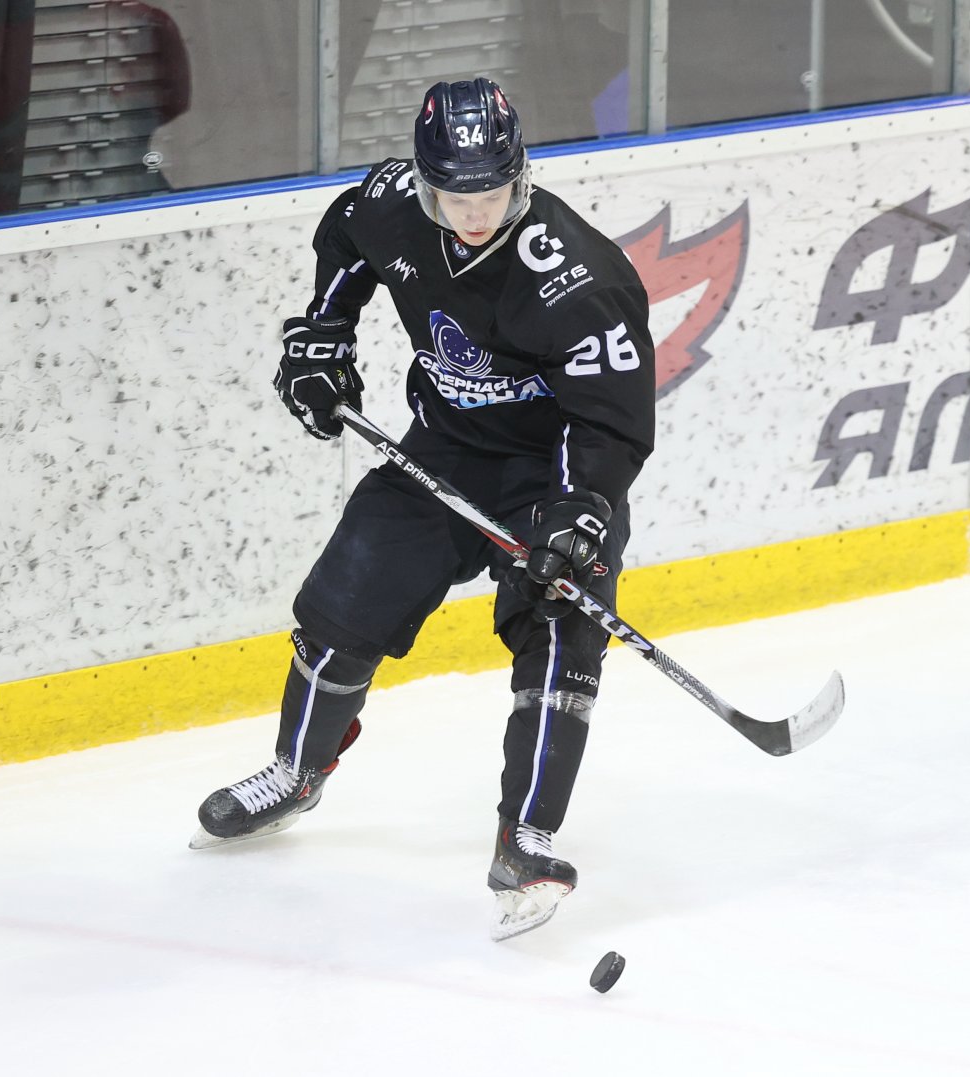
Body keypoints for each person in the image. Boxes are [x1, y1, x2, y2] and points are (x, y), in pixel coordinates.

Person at [191, 78, 657, 941]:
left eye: (492, 194)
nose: (474, 214)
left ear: (521, 175)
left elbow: (612, 420)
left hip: (553, 471)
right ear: (423, 181)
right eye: (454, 196)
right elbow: (346, 231)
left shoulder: (580, 276)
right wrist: (323, 334)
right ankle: (298, 770)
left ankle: (526, 838)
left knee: (562, 624)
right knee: (344, 603)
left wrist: (583, 511)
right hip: (444, 445)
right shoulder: (392, 205)